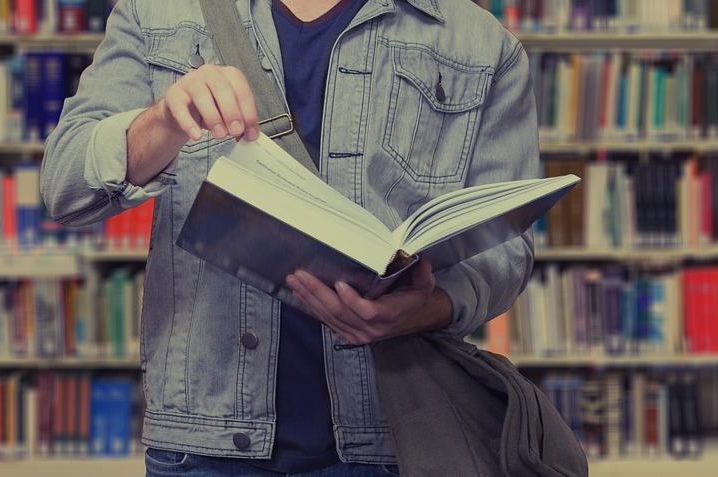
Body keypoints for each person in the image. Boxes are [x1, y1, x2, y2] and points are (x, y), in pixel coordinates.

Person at [40, 0, 539, 475]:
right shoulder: (158, 13)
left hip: (392, 441)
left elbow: (505, 248)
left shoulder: (483, 46)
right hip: (204, 445)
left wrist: (429, 307)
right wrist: (164, 121)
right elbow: (64, 185)